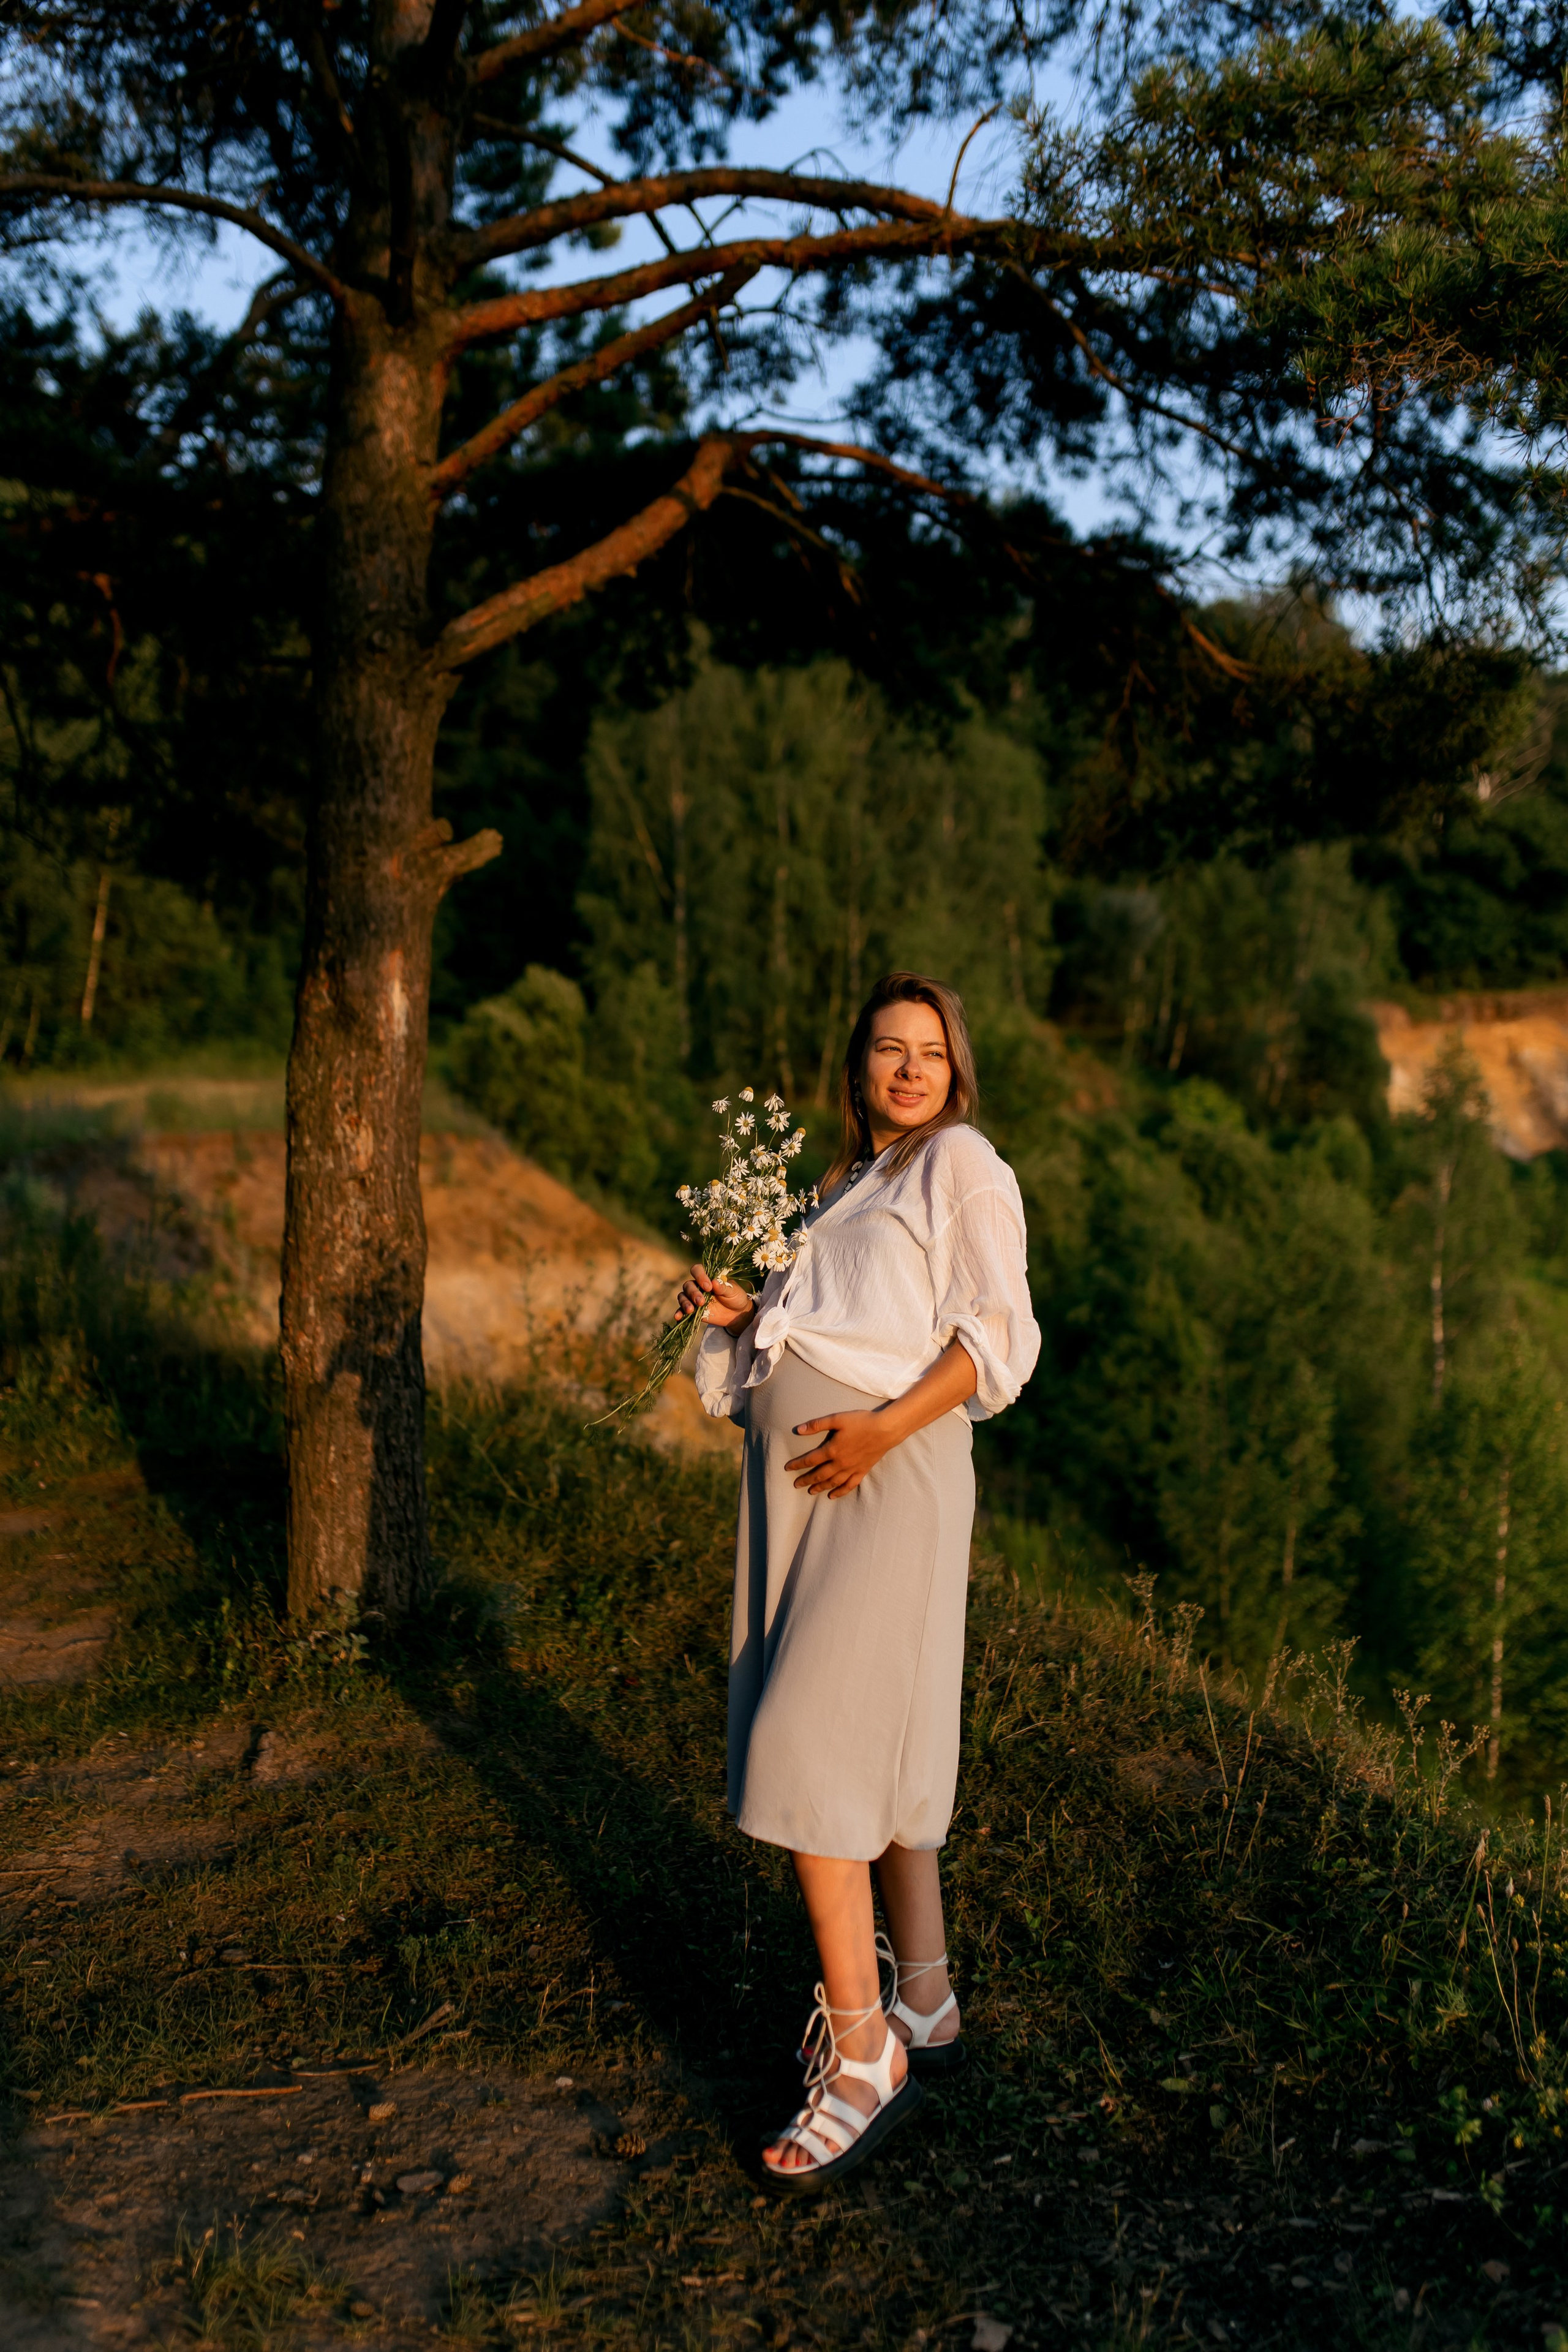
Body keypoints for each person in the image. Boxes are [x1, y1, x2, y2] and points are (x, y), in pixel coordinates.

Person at [675, 972, 1040, 2193]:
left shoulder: (959, 1165)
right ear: (854, 1072)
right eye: (885, 1050)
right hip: (803, 1486)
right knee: (883, 1738)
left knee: (816, 1740)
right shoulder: (837, 1191)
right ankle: (924, 1998)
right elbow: (814, 1338)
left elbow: (995, 1332)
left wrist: (880, 1431)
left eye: (926, 1052)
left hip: (885, 1471)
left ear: (955, 1070)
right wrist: (749, 1310)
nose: (906, 1069)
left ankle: (861, 2052)